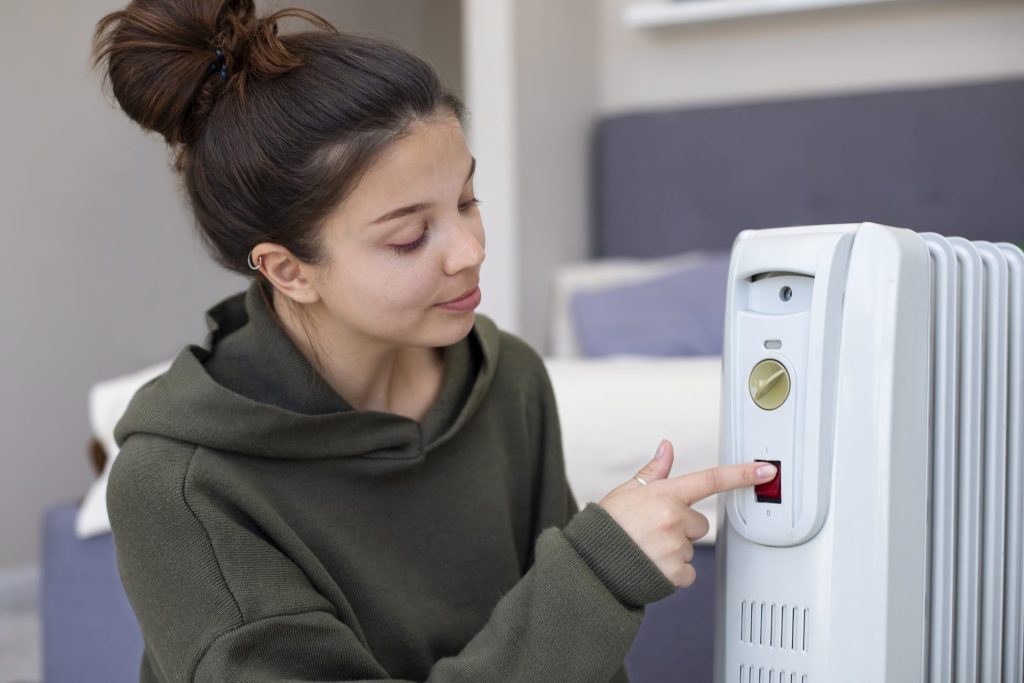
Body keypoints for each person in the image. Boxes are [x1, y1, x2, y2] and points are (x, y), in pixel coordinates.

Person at [91, 2, 778, 681]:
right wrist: (598, 572)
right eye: (409, 235)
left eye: (467, 201)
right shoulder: (181, 485)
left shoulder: (507, 377)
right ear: (288, 269)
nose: (471, 250)